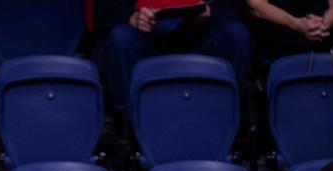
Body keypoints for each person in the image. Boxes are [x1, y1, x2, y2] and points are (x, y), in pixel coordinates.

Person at [92, 0, 250, 110]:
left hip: (200, 30)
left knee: (235, 35)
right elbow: (103, 11)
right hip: (144, 32)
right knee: (120, 39)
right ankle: (133, 128)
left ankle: (222, 123)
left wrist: (209, 11)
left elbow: (233, 8)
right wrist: (132, 17)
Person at [246, 0, 333, 61]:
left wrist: (325, 22)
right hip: (278, 21)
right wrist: (295, 23)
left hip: (321, 21)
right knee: (296, 47)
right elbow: (256, 5)